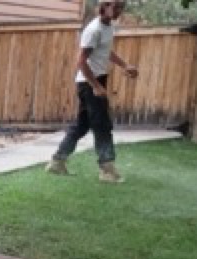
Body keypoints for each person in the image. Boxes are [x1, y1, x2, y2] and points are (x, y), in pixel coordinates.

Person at [47, 0, 138, 183]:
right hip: (89, 83)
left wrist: (125, 65)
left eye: (121, 6)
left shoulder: (108, 27)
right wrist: (96, 86)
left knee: (82, 125)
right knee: (102, 124)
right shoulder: (94, 30)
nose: (118, 10)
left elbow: (106, 51)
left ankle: (57, 162)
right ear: (104, 7)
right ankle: (107, 170)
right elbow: (80, 62)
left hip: (95, 81)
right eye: (114, 6)